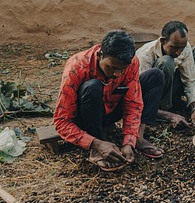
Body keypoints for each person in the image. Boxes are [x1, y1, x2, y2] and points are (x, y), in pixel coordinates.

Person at [53, 30, 165, 172]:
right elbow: (61, 121)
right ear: (100, 55)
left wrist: (129, 140)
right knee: (92, 87)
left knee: (155, 76)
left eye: (122, 70)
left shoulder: (131, 63)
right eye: (112, 68)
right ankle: (98, 145)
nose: (117, 74)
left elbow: (133, 103)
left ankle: (139, 138)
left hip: (110, 110)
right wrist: (95, 143)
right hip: (85, 117)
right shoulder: (76, 67)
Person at [136, 21, 195, 128]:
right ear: (163, 41)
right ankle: (163, 109)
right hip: (152, 96)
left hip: (171, 88)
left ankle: (174, 101)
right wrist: (170, 116)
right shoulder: (145, 55)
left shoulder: (183, 47)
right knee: (167, 62)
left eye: (181, 48)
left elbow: (190, 80)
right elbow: (139, 97)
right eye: (174, 47)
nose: (178, 52)